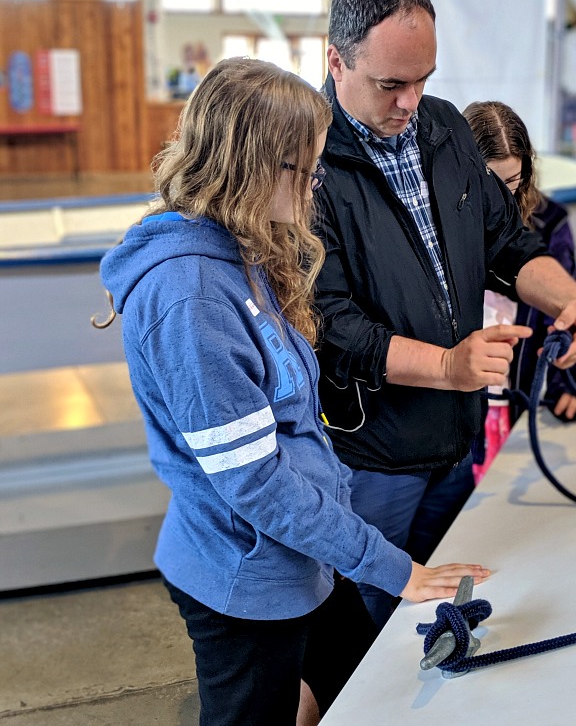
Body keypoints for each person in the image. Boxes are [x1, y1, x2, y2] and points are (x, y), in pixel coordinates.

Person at [94, 57, 490, 726]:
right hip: (246, 581)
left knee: (354, 683)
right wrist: (391, 567)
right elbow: (255, 483)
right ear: (251, 165)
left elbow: (296, 427)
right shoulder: (190, 294)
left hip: (303, 554)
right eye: (304, 170)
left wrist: (358, 549)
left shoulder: (240, 251)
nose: (314, 186)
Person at [315, 0, 576, 628]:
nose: (409, 101)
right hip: (371, 461)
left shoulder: (442, 129)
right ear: (335, 60)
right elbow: (330, 323)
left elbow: (506, 242)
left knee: (439, 615)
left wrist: (566, 298)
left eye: (423, 80)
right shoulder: (304, 157)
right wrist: (446, 366)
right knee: (365, 628)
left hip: (456, 445)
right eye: (390, 84)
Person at [464, 100, 576, 481]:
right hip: (459, 396)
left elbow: (567, 311)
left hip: (514, 392)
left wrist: (570, 381)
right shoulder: (443, 220)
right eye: (489, 184)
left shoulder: (549, 223)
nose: (502, 199)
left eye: (513, 184)